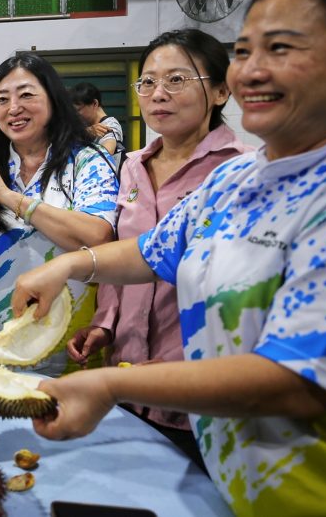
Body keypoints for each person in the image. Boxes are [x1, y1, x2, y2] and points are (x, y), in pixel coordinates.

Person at [13, 0, 326, 517]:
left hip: (324, 493)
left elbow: (295, 379)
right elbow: (151, 250)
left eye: (281, 49)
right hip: (229, 477)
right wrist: (69, 266)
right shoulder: (237, 180)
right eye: (244, 51)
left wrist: (113, 385)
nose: (252, 72)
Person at [68, 29, 247, 464]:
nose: (158, 93)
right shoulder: (132, 166)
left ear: (221, 91)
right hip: (127, 371)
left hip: (195, 382)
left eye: (177, 80)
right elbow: (123, 251)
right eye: (147, 81)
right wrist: (106, 323)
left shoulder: (240, 171)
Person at [0, 53, 118, 375]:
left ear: (53, 99)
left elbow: (98, 237)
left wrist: (11, 198)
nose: (13, 108)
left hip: (67, 345)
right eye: (2, 99)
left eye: (26, 95)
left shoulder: (87, 162)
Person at [71, 81, 124, 169]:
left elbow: (107, 152)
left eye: (78, 110)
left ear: (95, 103)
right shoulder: (86, 127)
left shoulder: (110, 125)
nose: (76, 114)